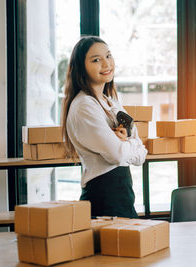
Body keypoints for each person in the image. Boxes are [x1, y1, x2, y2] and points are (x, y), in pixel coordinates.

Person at [61, 36, 147, 218]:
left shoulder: (111, 102)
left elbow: (141, 157)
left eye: (108, 56)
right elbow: (118, 154)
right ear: (80, 67)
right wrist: (131, 144)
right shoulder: (84, 106)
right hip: (103, 199)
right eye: (96, 60)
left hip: (123, 197)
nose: (106, 64)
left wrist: (126, 145)